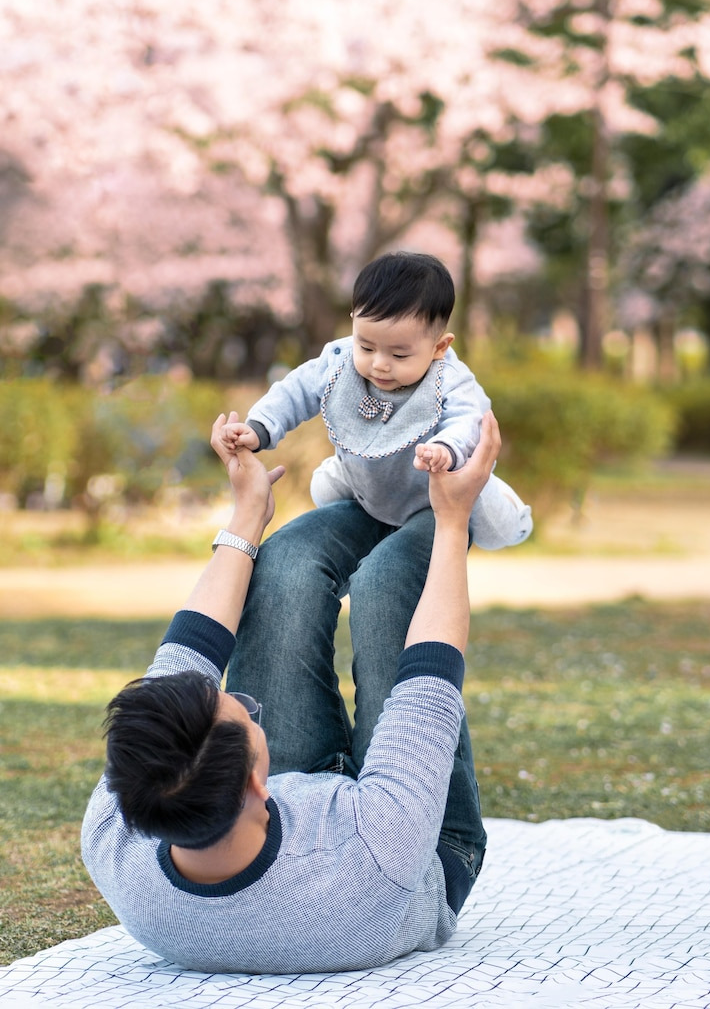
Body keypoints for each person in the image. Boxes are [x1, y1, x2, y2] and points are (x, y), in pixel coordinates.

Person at [81, 409, 501, 975]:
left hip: (323, 828)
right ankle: (428, 496)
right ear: (259, 783)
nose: (246, 701)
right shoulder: (380, 859)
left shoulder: (114, 835)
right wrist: (453, 520)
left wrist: (248, 512)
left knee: (281, 564)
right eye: (248, 714)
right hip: (414, 848)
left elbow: (188, 650)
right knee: (388, 583)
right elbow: (429, 685)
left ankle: (384, 492)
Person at [221, 250, 532, 552]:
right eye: (366, 347)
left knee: (494, 526)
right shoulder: (340, 361)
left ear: (439, 346)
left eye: (399, 355)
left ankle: (512, 510)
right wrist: (260, 428)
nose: (380, 364)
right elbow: (295, 390)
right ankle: (360, 498)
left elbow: (466, 420)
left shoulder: (449, 379)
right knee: (323, 489)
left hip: (432, 488)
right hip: (365, 478)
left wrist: (446, 448)